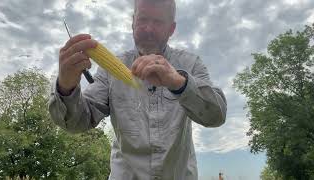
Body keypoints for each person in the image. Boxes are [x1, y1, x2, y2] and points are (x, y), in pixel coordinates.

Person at [48, 0, 227, 179]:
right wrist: (66, 86)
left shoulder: (191, 63)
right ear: (133, 23)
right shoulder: (109, 71)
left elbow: (217, 115)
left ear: (171, 29)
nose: (148, 28)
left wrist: (179, 83)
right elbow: (76, 122)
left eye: (158, 22)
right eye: (142, 20)